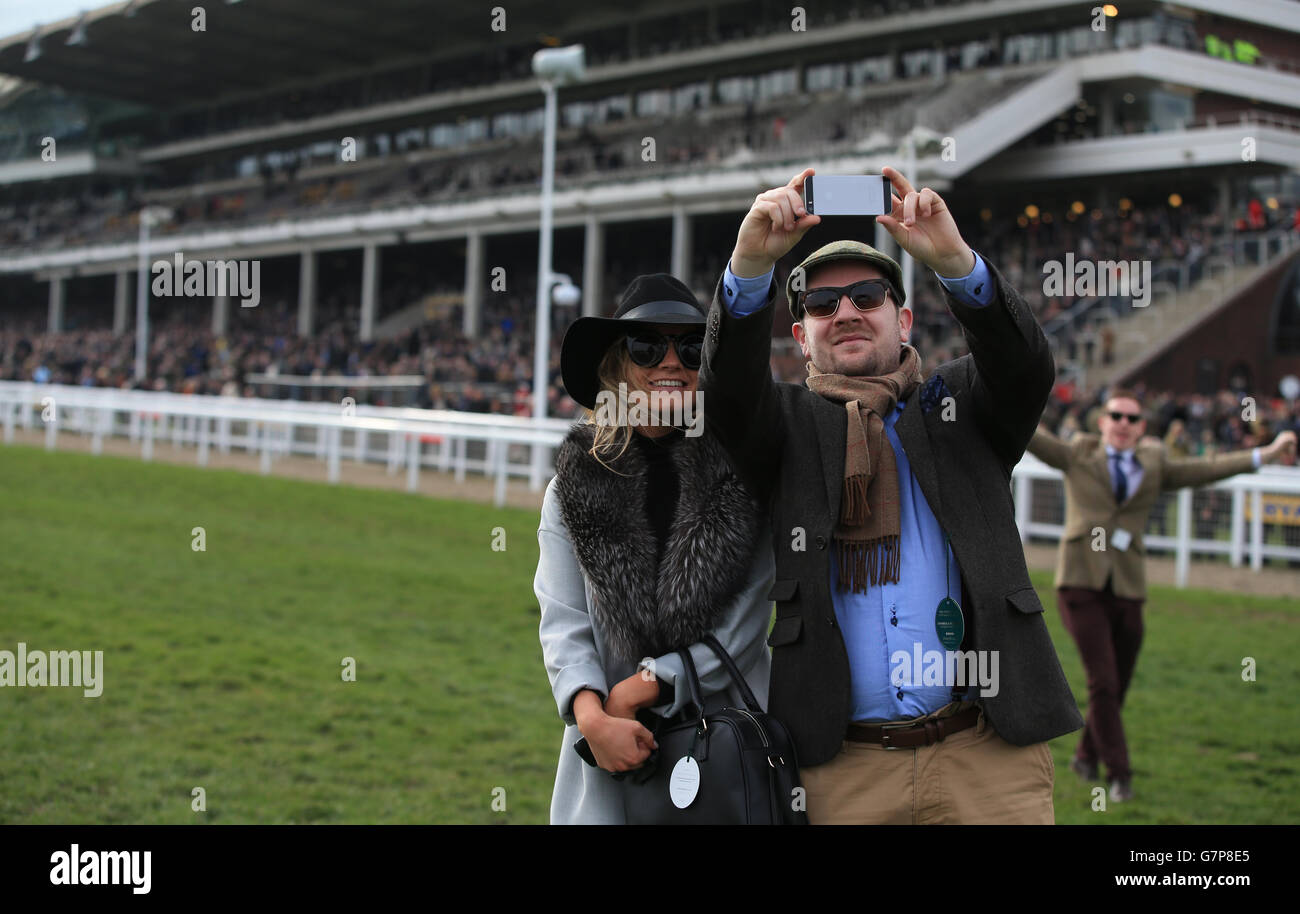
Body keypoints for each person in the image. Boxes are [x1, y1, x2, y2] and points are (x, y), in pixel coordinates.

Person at [699, 165, 1081, 824]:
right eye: (821, 306)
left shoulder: (961, 405)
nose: (844, 312)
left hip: (985, 757)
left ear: (902, 318)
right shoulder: (787, 428)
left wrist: (956, 262)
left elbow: (1025, 367)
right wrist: (749, 264)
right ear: (800, 337)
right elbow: (727, 399)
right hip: (841, 769)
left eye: (867, 296)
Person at [535, 273, 775, 824]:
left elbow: (744, 628)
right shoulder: (571, 486)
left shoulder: (746, 477)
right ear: (618, 365)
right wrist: (594, 718)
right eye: (648, 346)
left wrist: (643, 687)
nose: (671, 362)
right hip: (609, 760)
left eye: (691, 348)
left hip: (727, 754)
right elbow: (562, 620)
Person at [1028, 389, 1296, 802]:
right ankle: (1120, 776)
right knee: (1102, 681)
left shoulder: (1154, 463)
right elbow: (1032, 436)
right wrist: (990, 391)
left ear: (1142, 428)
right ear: (1102, 421)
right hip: (1080, 583)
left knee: (1119, 684)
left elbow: (1207, 469)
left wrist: (1268, 454)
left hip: (1129, 585)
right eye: (1116, 415)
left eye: (1133, 419)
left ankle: (1084, 757)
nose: (1123, 424)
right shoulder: (1078, 453)